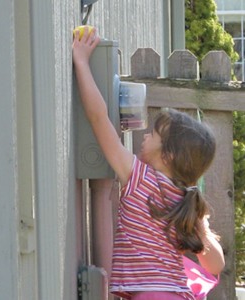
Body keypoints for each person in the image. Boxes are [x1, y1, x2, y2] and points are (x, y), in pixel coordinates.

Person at [72, 28, 225, 300]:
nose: (145, 135)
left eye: (154, 134)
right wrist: (200, 228)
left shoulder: (138, 177)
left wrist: (82, 62)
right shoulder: (186, 200)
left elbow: (98, 118)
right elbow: (216, 266)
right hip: (177, 294)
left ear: (167, 156)